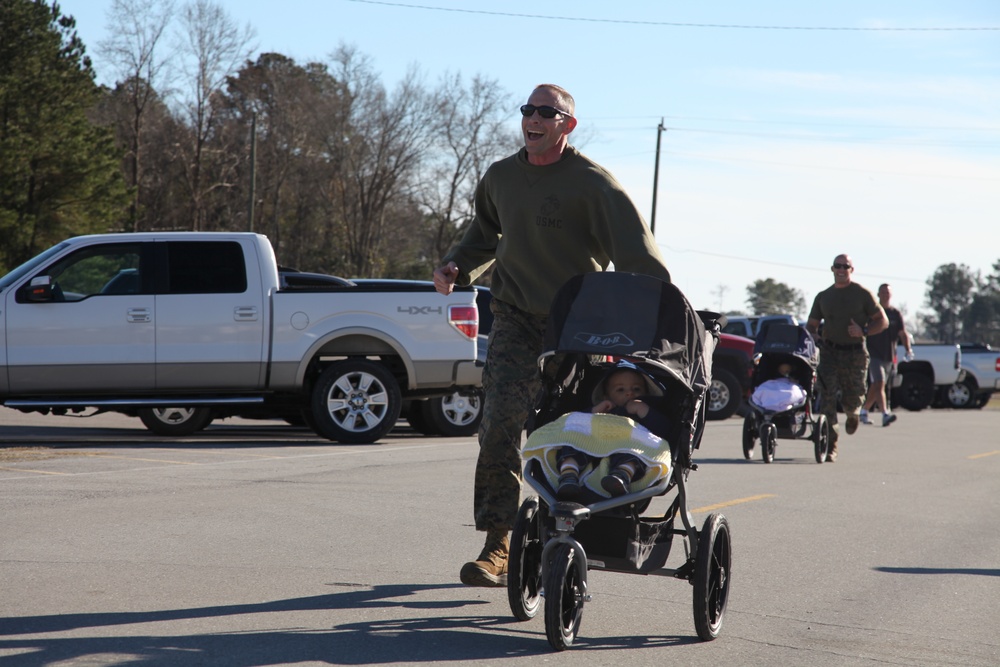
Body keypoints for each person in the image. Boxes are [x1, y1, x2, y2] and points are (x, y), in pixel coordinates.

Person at [433, 83, 671, 588]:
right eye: (528, 110)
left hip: (578, 329)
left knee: (572, 433)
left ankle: (567, 535)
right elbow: (483, 235)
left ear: (568, 124)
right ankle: (498, 543)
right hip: (515, 318)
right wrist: (457, 264)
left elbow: (637, 254)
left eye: (546, 112)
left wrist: (660, 310)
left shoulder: (594, 185)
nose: (534, 119)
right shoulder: (500, 177)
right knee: (498, 426)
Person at [806, 254, 888, 462]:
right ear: (832, 269)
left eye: (846, 266)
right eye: (838, 266)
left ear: (852, 270)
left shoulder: (862, 294)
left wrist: (864, 330)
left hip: (855, 353)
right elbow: (811, 325)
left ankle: (853, 414)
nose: (841, 270)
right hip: (829, 353)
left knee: (853, 398)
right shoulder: (823, 297)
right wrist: (814, 335)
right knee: (827, 398)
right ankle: (830, 446)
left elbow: (883, 321)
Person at [556, 360, 670, 499]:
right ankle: (568, 474)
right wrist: (594, 411)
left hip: (625, 445)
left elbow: (662, 430)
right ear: (606, 396)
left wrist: (644, 410)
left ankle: (621, 476)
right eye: (621, 390)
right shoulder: (604, 410)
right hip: (593, 443)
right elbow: (575, 422)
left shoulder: (644, 411)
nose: (630, 393)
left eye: (636, 389)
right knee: (573, 443)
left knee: (635, 453)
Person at [860, 283, 914, 427]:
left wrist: (908, 349)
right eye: (882, 292)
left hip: (889, 356)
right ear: (878, 294)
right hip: (873, 355)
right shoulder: (872, 312)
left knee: (877, 386)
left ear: (891, 295)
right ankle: (885, 413)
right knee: (879, 382)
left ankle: (864, 411)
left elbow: (902, 333)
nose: (885, 295)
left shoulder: (895, 314)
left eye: (887, 293)